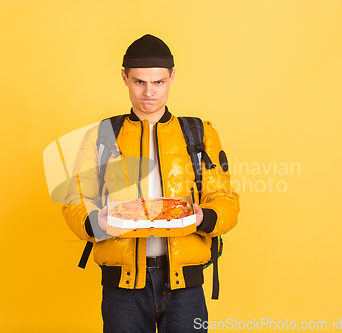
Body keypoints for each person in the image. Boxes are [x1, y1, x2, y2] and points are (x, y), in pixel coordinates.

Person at [62, 34, 239, 333]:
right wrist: (97, 223)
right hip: (123, 288)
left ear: (172, 77)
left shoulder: (199, 134)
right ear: (124, 78)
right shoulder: (101, 135)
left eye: (158, 82)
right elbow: (75, 200)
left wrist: (203, 217)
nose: (149, 93)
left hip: (185, 284)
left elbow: (225, 200)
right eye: (139, 82)